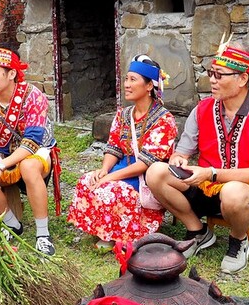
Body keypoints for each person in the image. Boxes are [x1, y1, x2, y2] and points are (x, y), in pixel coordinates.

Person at [145, 40, 249, 274]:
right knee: (156, 172)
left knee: (232, 192)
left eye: (220, 75)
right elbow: (183, 150)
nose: (213, 80)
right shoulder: (203, 109)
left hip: (246, 191)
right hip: (206, 185)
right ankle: (198, 231)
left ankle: (238, 240)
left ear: (242, 79)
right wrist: (179, 159)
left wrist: (213, 173)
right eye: (211, 73)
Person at [68, 55, 178, 246]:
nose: (126, 84)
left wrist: (111, 177)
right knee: (87, 181)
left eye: (133, 80)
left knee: (113, 189)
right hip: (122, 166)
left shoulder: (164, 120)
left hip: (145, 176)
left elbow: (146, 163)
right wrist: (104, 170)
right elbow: (114, 147)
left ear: (149, 86)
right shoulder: (123, 115)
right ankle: (105, 229)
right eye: (126, 79)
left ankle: (125, 232)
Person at [0, 46, 59, 256]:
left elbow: (32, 142)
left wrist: (0, 165)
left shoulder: (33, 96)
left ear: (11, 74)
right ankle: (12, 224)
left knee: (29, 167)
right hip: (2, 153)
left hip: (37, 152)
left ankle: (42, 234)